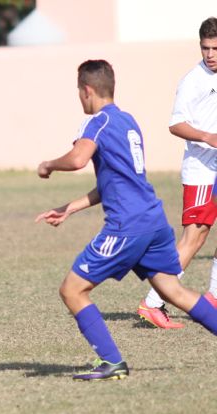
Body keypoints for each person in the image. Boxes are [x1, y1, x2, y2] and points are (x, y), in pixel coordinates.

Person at [35, 59, 217, 381]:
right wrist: (71, 208)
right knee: (174, 292)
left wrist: (48, 164)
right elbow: (117, 183)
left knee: (72, 290)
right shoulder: (128, 122)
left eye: (79, 91)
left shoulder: (96, 123)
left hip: (127, 227)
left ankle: (112, 362)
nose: (79, 97)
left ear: (87, 90)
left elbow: (78, 159)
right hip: (154, 222)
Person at [137, 17, 217, 329]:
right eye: (205, 48)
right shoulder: (192, 81)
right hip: (201, 169)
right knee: (193, 238)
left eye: (215, 48)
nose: (210, 54)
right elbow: (175, 124)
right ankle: (152, 302)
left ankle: (213, 295)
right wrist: (209, 137)